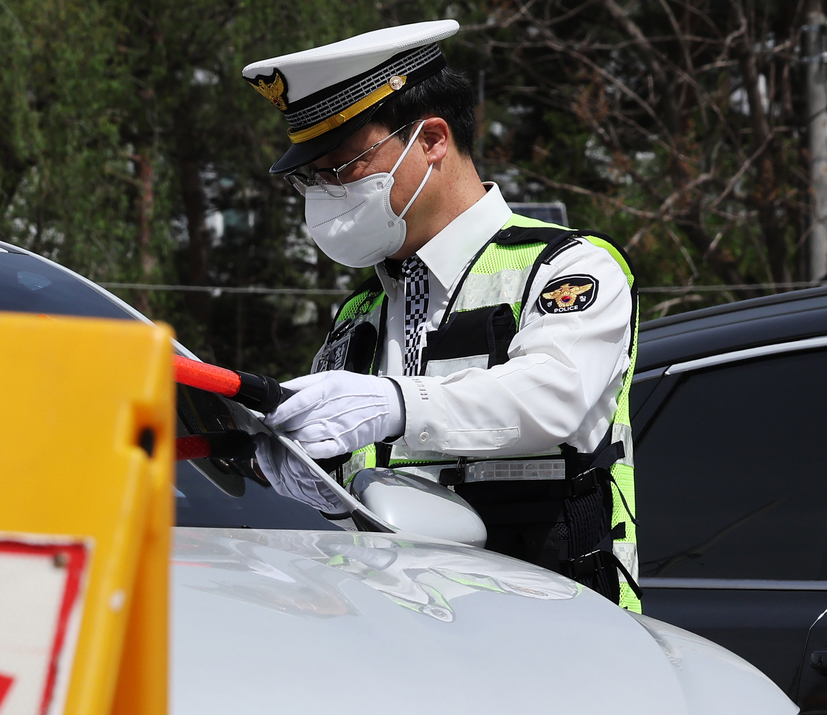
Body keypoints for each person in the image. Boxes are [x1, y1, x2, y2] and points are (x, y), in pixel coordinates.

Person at [240, 20, 641, 609]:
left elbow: (554, 396)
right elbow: (376, 498)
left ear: (431, 140)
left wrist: (396, 404)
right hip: (404, 637)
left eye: (343, 167)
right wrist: (317, 490)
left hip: (559, 630)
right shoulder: (359, 314)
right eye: (311, 177)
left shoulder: (565, 267)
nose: (325, 192)